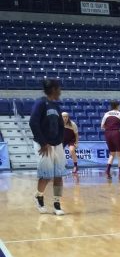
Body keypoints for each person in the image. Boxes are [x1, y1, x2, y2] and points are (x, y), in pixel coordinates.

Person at [28, 77, 66, 216]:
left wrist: (60, 141)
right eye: (59, 88)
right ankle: (39, 197)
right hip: (44, 145)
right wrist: (43, 142)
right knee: (46, 176)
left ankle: (57, 203)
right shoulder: (40, 103)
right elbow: (33, 123)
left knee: (59, 175)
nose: (60, 91)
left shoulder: (56, 106)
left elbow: (61, 126)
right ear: (54, 89)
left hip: (57, 145)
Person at [62, 110, 79, 176]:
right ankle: (61, 166)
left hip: (71, 139)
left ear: (68, 117)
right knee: (59, 153)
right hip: (62, 140)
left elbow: (77, 134)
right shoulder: (59, 124)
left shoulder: (72, 124)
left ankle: (75, 166)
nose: (65, 118)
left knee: (72, 150)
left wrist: (77, 143)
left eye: (66, 116)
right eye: (63, 117)